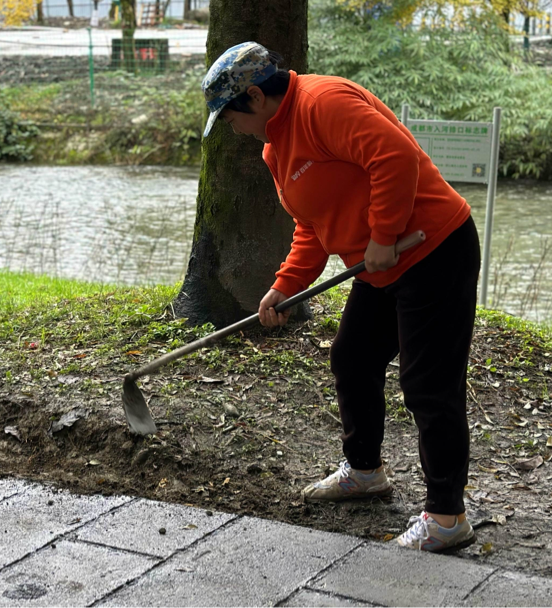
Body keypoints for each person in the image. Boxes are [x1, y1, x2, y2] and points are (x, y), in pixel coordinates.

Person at [201, 42, 480, 552]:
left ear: (257, 97)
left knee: (428, 385)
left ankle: (446, 516)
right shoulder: (275, 147)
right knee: (353, 357)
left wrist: (382, 232)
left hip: (433, 248)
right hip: (382, 264)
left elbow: (394, 156)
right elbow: (312, 225)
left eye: (230, 116)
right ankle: (365, 471)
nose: (231, 128)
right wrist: (285, 285)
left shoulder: (322, 103)